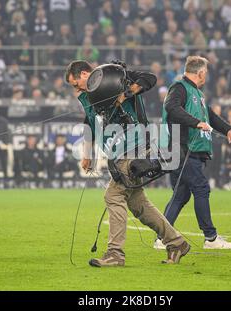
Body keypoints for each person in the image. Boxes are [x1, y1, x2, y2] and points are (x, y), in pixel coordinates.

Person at [65, 60, 190, 267]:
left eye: (75, 82)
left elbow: (149, 78)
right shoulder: (88, 96)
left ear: (86, 73)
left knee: (113, 195)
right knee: (139, 204)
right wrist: (88, 153)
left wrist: (127, 93)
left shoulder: (113, 77)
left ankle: (115, 253)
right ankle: (176, 243)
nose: (75, 88)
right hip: (119, 152)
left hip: (134, 147)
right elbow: (90, 121)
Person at [155, 56, 231, 250]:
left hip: (186, 150)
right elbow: (172, 108)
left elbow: (210, 116)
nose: (206, 76)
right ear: (200, 73)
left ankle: (161, 238)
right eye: (206, 73)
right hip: (183, 149)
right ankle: (211, 238)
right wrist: (195, 122)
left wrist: (228, 129)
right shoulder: (179, 88)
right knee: (201, 188)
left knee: (181, 195)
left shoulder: (197, 93)